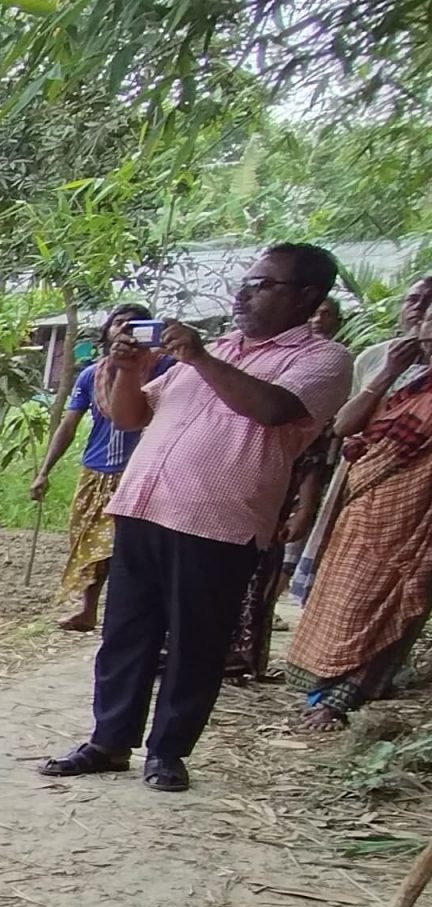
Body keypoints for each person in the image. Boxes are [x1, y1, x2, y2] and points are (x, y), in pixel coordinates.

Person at [38, 243, 353, 793]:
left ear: (307, 296)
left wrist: (202, 359)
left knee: (194, 644)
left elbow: (275, 410)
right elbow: (132, 417)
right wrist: (126, 369)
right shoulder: (214, 350)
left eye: (263, 284)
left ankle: (168, 752)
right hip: (142, 507)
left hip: (218, 521)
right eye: (247, 282)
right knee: (125, 633)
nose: (245, 293)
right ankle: (109, 741)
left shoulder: (322, 359)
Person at [280, 277, 432, 730]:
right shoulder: (395, 372)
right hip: (364, 502)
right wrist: (385, 375)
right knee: (344, 593)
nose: (426, 326)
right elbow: (346, 426)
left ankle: (344, 696)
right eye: (425, 316)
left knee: (388, 598)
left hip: (413, 513)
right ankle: (322, 684)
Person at [223, 297, 355, 680]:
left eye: (325, 314)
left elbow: (315, 449)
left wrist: (304, 506)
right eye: (313, 312)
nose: (317, 320)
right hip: (235, 478)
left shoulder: (331, 366)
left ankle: (242, 655)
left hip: (281, 484)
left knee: (262, 568)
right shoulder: (247, 357)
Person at [293, 276, 432, 603]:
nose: (421, 311)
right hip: (361, 485)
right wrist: (389, 373)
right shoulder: (374, 357)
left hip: (414, 504)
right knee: (340, 583)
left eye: (429, 304)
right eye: (414, 301)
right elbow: (343, 425)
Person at [32, 303, 163, 631]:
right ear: (107, 331)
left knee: (126, 548)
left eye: (135, 326)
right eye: (119, 324)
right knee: (91, 544)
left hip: (141, 472)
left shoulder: (164, 369)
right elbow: (69, 424)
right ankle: (88, 611)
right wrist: (44, 470)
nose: (125, 331)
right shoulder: (93, 375)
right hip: (96, 470)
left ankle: (125, 618)